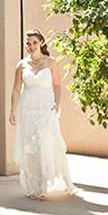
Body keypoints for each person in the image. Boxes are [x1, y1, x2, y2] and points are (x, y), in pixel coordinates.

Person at [9, 29, 74, 199]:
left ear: (41, 43)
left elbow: (58, 85)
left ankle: (45, 185)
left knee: (45, 141)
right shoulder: (21, 65)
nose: (31, 46)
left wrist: (57, 104)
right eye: (28, 43)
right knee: (31, 145)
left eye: (34, 42)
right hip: (28, 107)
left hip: (46, 106)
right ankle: (35, 186)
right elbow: (16, 90)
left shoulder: (51, 62)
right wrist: (12, 111)